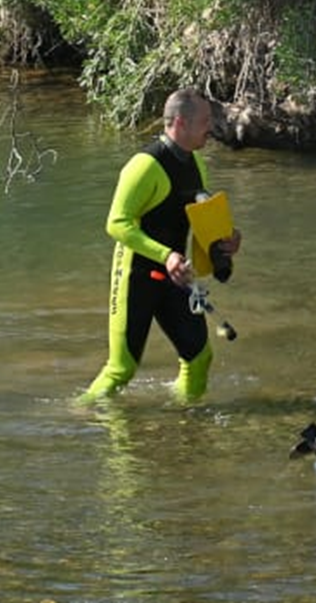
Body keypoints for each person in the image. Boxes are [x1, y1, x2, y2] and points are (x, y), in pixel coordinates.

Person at [81, 88, 242, 403]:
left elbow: (199, 213)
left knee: (198, 359)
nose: (212, 127)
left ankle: (184, 424)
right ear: (181, 123)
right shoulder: (143, 166)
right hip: (135, 277)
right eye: (206, 121)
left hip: (175, 278)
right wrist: (165, 255)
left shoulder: (196, 162)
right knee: (121, 369)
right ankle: (78, 419)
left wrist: (227, 238)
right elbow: (116, 223)